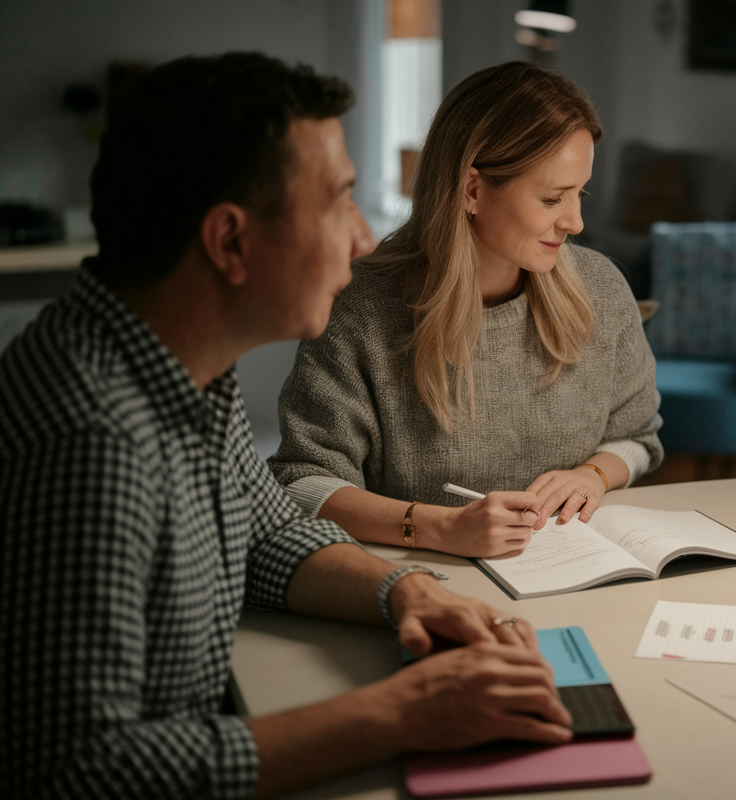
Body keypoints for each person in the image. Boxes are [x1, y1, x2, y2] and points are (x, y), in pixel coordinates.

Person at [0, 53, 571, 799]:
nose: (365, 238)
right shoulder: (95, 443)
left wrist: (408, 591)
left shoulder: (178, 368)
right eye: (338, 202)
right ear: (231, 242)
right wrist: (401, 712)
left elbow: (268, 532)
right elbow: (80, 773)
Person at [268, 61, 662, 559]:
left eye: (578, 193)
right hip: (422, 583)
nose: (576, 222)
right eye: (551, 198)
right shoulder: (361, 307)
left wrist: (595, 474)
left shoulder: (600, 287)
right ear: (472, 190)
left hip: (572, 576)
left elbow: (638, 438)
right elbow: (302, 482)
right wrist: (438, 528)